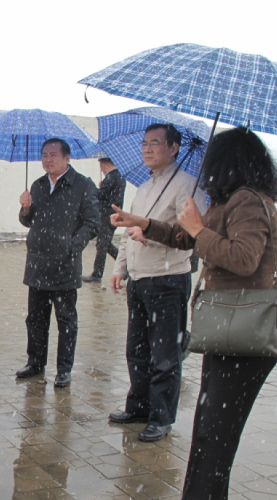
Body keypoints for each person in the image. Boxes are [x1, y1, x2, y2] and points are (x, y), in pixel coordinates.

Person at [110, 127, 277, 500]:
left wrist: (198, 229)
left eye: (213, 161)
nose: (206, 170)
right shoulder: (230, 202)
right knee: (216, 424)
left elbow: (243, 259)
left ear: (229, 162)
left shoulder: (249, 202)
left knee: (213, 428)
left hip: (246, 331)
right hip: (230, 328)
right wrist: (144, 223)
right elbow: (184, 237)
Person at [108, 124, 206, 442]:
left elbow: (189, 237)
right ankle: (139, 406)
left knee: (164, 355)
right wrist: (120, 268)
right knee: (136, 350)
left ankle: (161, 417)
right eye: (144, 143)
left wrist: (148, 232)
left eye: (156, 143)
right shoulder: (144, 187)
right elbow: (128, 231)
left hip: (168, 280)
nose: (147, 149)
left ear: (174, 147)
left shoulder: (187, 185)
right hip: (139, 279)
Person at [15, 138, 99, 388]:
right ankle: (35, 362)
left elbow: (92, 223)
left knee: (66, 320)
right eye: (44, 155)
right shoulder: (38, 185)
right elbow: (28, 221)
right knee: (35, 319)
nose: (47, 160)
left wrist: (72, 245)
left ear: (67, 158)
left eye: (53, 155)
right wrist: (25, 208)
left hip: (65, 265)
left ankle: (64, 369)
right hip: (37, 263)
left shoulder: (82, 185)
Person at [83, 157, 126, 283]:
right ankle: (126, 267)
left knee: (102, 245)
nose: (101, 170)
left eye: (101, 166)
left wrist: (91, 185)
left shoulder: (112, 177)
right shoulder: (119, 176)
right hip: (112, 215)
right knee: (105, 244)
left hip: (107, 216)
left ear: (106, 164)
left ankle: (97, 275)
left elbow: (100, 195)